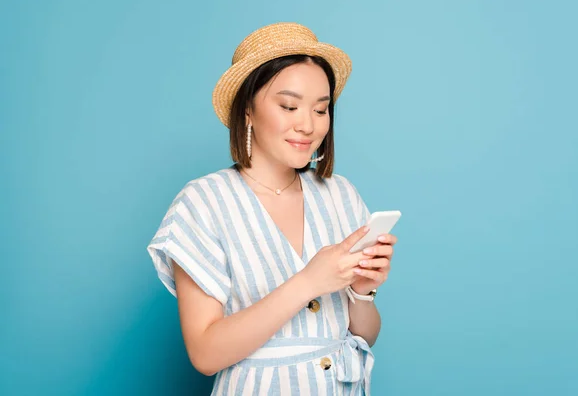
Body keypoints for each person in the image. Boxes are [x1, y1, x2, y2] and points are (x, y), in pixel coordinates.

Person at [147, 22, 397, 395]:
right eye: (289, 106)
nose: (307, 125)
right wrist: (309, 281)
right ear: (247, 109)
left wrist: (362, 293)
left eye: (321, 110)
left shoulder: (341, 195)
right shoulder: (203, 203)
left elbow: (365, 334)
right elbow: (204, 353)